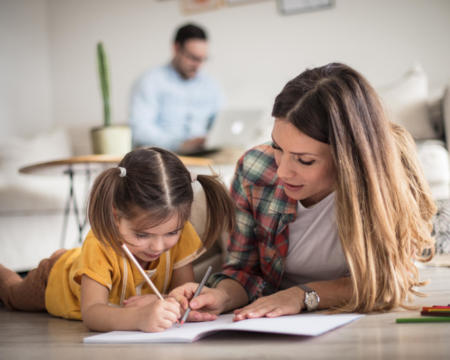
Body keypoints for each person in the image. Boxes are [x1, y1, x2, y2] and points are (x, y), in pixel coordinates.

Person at [170, 62, 436, 322]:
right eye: (277, 147)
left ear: (347, 158)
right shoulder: (254, 169)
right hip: (276, 317)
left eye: (304, 160)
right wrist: (221, 297)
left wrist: (303, 296)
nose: (283, 172)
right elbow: (244, 271)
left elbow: (389, 282)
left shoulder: (388, 176)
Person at [0, 147, 234, 332]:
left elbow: (178, 292)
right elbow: (92, 312)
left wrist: (177, 305)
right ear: (116, 216)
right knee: (11, 293)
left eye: (172, 233)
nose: (158, 246)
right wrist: (139, 317)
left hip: (82, 263)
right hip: (54, 279)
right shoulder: (100, 243)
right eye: (142, 235)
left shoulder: (183, 234)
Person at [129, 23, 224, 154]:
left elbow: (219, 122)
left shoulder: (210, 84)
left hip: (204, 156)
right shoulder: (150, 81)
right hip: (164, 158)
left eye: (203, 59)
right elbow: (140, 131)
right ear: (176, 48)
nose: (198, 65)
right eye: (193, 58)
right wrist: (179, 145)